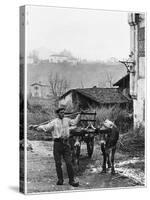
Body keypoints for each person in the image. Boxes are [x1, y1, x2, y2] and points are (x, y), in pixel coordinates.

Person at [36, 106, 81, 187]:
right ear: (57, 114)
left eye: (63, 112)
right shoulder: (54, 122)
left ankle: (72, 181)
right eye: (61, 112)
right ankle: (60, 180)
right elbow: (46, 127)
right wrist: (37, 127)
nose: (63, 114)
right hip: (57, 144)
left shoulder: (67, 120)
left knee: (69, 163)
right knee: (58, 163)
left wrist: (78, 115)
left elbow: (74, 122)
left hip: (66, 144)